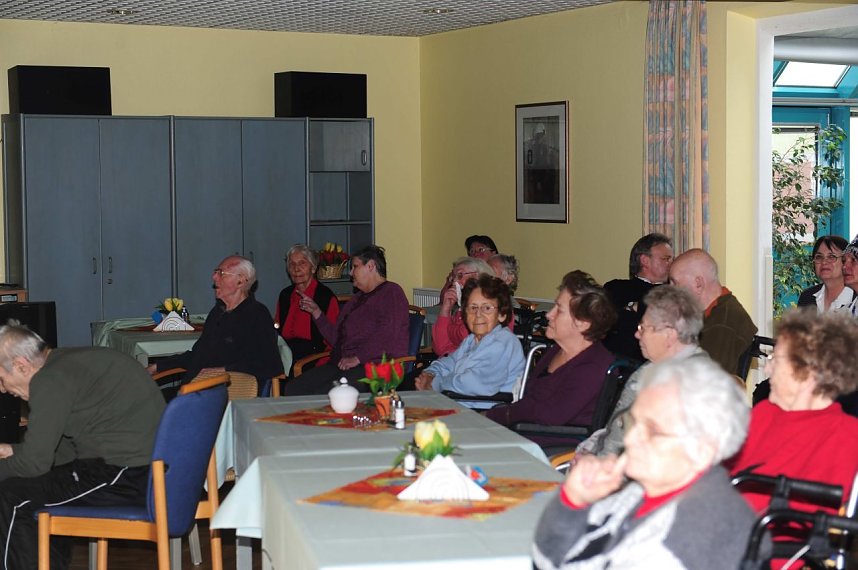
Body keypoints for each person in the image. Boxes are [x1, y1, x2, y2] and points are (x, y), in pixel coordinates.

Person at [532, 358, 755, 570]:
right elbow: (552, 561)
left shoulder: (688, 538)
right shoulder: (642, 490)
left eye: (653, 430)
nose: (630, 439)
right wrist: (572, 502)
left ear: (701, 450)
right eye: (633, 422)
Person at [0, 323, 165, 569]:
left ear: (22, 366)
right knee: (36, 489)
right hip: (147, 470)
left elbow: (35, 463)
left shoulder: (49, 380)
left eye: (2, 379)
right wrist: (14, 451)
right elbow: (62, 451)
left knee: (12, 497)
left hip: (125, 475)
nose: (2, 389)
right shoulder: (67, 364)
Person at [727, 309, 858, 518]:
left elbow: (810, 517)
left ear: (809, 373)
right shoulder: (764, 413)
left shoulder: (845, 436)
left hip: (769, 541)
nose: (767, 369)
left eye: (775, 360)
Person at [576, 285, 709, 457]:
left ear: (669, 335)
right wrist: (587, 450)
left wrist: (599, 467)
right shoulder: (653, 368)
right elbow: (614, 430)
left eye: (642, 328)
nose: (637, 335)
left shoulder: (686, 386)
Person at [485, 271, 615, 446]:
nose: (548, 314)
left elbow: (548, 415)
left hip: (554, 447)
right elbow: (530, 402)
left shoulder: (595, 366)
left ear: (583, 322)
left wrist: (499, 414)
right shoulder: (555, 351)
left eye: (559, 310)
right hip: (521, 434)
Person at [150, 255, 284, 395]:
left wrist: (224, 370)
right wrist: (157, 366)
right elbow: (197, 356)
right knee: (144, 398)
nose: (214, 277)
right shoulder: (217, 313)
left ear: (241, 281)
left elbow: (270, 365)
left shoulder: (257, 314)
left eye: (221, 273)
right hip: (195, 389)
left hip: (226, 394)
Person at [285, 245, 409, 395]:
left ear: (370, 266)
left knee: (328, 394)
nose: (351, 273)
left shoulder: (391, 293)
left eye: (355, 267)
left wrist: (358, 358)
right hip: (342, 364)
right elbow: (337, 338)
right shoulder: (357, 299)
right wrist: (316, 312)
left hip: (374, 365)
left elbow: (388, 334)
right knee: (294, 388)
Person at [416, 275, 524, 406]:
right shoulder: (472, 340)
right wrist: (429, 373)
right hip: (458, 408)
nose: (478, 314)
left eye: (487, 308)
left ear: (502, 314)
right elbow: (448, 362)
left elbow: (473, 383)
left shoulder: (504, 342)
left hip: (485, 417)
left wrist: (435, 383)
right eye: (473, 308)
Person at [668, 248, 757, 374]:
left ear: (698, 284)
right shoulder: (707, 313)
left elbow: (703, 381)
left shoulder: (724, 323)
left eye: (674, 282)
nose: (670, 290)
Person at [602, 233, 673, 362]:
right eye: (666, 259)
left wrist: (636, 308)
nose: (671, 264)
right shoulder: (615, 288)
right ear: (645, 260)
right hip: (612, 361)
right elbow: (606, 323)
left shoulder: (673, 293)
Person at [275, 244, 340, 366]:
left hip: (315, 358)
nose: (296, 269)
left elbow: (334, 340)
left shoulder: (325, 297)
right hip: (286, 355)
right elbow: (278, 330)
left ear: (313, 268)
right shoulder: (285, 295)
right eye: (292, 264)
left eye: (302, 263)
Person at [432, 256, 496, 356]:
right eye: (453, 277)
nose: (454, 282)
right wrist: (445, 309)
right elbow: (440, 348)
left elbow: (466, 338)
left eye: (460, 275)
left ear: (478, 276)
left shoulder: (491, 306)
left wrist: (450, 330)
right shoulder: (461, 309)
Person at [796, 235, 854, 313]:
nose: (824, 262)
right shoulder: (807, 298)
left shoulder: (854, 299)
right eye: (819, 257)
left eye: (831, 257)